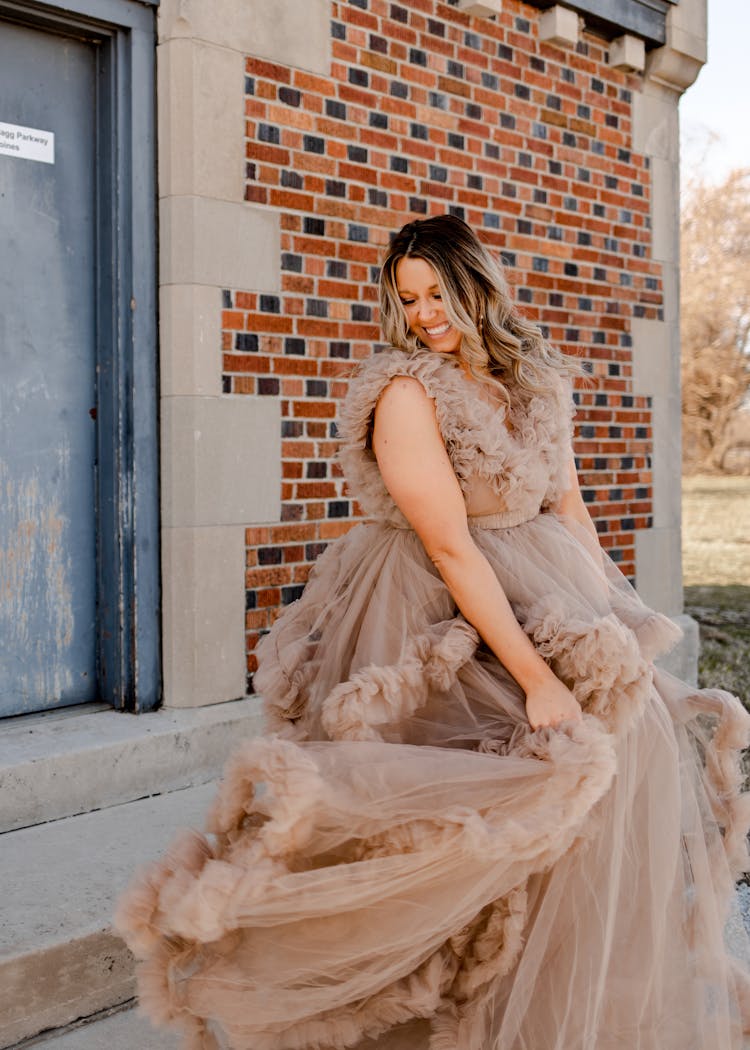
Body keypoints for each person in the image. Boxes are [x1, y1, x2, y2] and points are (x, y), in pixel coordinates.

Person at [116, 215, 750, 1050]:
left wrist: (613, 625)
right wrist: (537, 676)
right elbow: (450, 546)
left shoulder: (534, 382)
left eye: (435, 294)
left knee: (596, 795)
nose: (422, 314)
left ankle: (537, 1016)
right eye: (406, 299)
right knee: (462, 821)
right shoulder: (404, 393)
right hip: (434, 613)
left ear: (476, 285)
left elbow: (568, 506)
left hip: (543, 587)